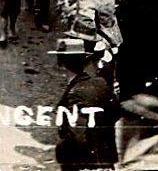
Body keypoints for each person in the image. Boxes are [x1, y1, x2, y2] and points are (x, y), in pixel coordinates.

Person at [51, 35, 119, 171]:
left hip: (84, 163)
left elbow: (78, 136)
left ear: (61, 63)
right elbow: (115, 112)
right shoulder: (101, 83)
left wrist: (62, 150)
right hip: (105, 158)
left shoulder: (74, 94)